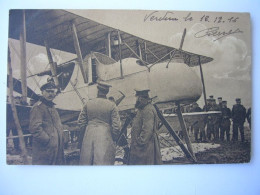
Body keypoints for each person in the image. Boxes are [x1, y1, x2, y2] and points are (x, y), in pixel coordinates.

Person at [78, 81, 121, 165]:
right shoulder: (112, 105)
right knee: (103, 163)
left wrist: (84, 134)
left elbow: (81, 122)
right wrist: (114, 138)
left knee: (87, 163)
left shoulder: (88, 103)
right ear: (107, 92)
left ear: (97, 90)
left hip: (88, 135)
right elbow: (116, 127)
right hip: (105, 137)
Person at [29, 81, 65, 165]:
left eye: (52, 91)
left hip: (56, 148)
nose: (50, 94)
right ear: (42, 92)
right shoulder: (38, 107)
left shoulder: (52, 107)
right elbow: (35, 128)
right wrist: (48, 140)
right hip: (44, 149)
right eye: (48, 91)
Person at [128, 89, 162, 165]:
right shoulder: (143, 108)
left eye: (137, 98)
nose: (136, 100)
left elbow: (147, 130)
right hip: (143, 147)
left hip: (145, 147)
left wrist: (139, 142)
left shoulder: (148, 110)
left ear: (141, 98)